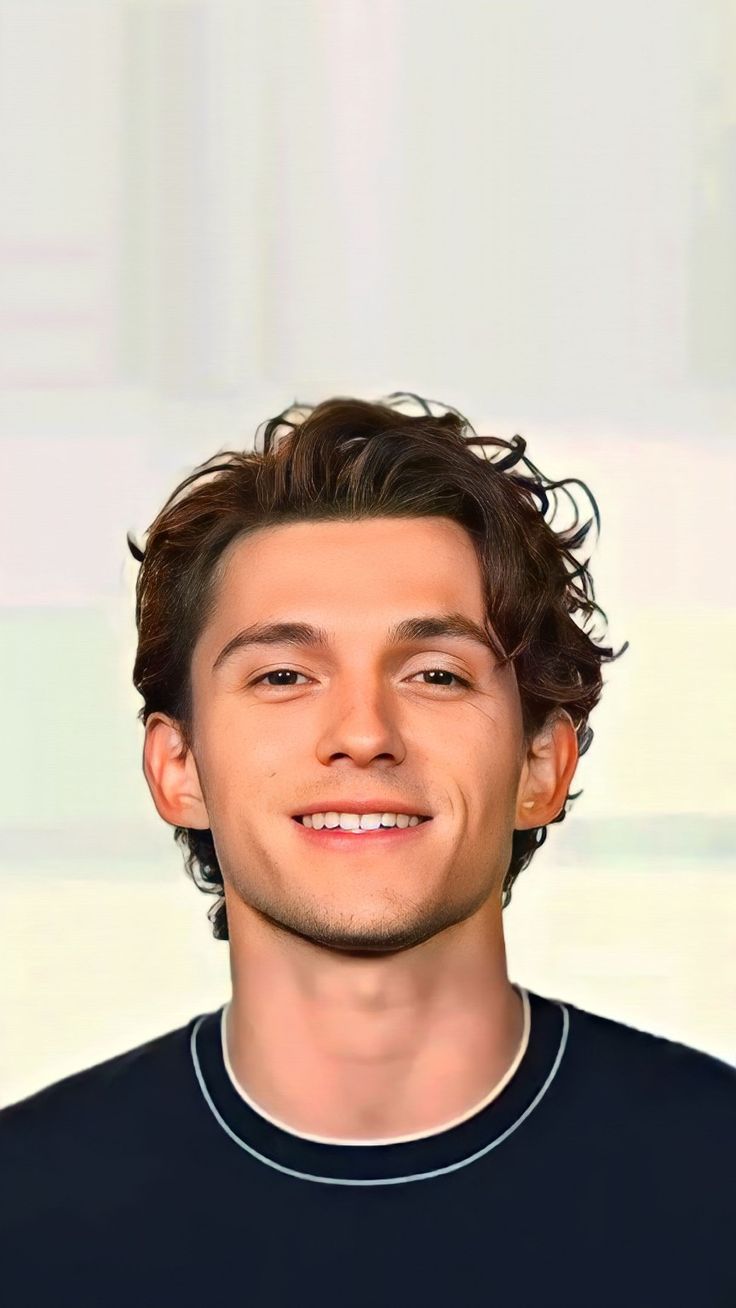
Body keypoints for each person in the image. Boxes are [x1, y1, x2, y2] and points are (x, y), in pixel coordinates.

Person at [1, 393, 733, 1306]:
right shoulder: (23, 1218)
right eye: (282, 676)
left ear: (542, 763)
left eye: (436, 674)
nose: (361, 732)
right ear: (177, 766)